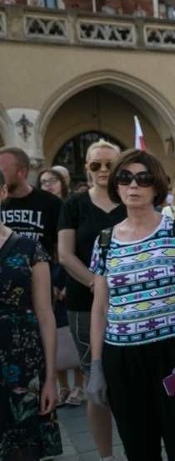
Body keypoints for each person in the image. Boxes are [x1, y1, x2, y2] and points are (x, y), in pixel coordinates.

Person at [86, 149, 175, 461]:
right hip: (123, 360)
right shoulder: (104, 241)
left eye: (142, 178)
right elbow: (100, 310)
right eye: (124, 178)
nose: (132, 186)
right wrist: (97, 367)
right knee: (140, 451)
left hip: (173, 353)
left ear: (156, 185)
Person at [58, 140, 131, 461]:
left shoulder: (128, 199)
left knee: (130, 381)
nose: (103, 171)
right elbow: (65, 254)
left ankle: (134, 455)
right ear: (86, 167)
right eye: (97, 165)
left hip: (129, 303)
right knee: (96, 382)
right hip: (84, 304)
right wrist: (96, 284)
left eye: (109, 165)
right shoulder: (74, 205)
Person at [0, 169, 61, 461]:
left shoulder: (29, 247)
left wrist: (51, 377)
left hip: (21, 365)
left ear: (3, 192)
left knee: (20, 456)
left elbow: (46, 316)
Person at [38, 168, 85, 407]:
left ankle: (78, 384)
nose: (48, 185)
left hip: (67, 272)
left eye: (52, 181)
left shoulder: (70, 206)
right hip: (46, 271)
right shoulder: (42, 208)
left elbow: (71, 249)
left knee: (69, 333)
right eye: (43, 182)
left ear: (62, 183)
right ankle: (62, 387)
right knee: (53, 333)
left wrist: (67, 281)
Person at [0, 147, 63, 257]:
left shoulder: (51, 203)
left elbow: (60, 249)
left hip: (43, 269)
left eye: (2, 171)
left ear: (22, 172)